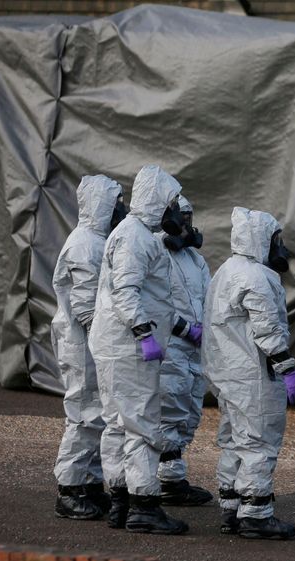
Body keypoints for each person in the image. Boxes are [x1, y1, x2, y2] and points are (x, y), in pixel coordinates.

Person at [89, 164, 188, 535]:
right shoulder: (134, 237)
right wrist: (144, 333)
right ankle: (144, 505)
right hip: (128, 346)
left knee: (117, 423)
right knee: (142, 424)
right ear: (158, 202)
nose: (176, 213)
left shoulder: (133, 234)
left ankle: (120, 500)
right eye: (173, 204)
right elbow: (126, 292)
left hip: (117, 344)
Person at [202, 206, 295, 540]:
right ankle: (256, 513)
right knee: (259, 442)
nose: (281, 249)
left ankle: (231, 506)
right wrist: (287, 369)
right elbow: (267, 331)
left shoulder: (225, 271)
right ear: (261, 239)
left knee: (235, 440)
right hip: (252, 375)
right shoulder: (258, 277)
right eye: (276, 241)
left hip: (227, 373)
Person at [52, 174, 125, 520]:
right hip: (83, 344)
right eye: (117, 202)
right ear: (102, 205)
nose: (122, 209)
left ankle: (90, 484)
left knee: (98, 412)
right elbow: (84, 307)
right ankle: (69, 490)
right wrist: (112, 337)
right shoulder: (85, 244)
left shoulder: (98, 241)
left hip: (93, 343)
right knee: (83, 413)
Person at [155, 195, 213, 506]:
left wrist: (207, 327)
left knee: (187, 412)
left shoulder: (195, 260)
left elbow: (209, 297)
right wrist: (185, 329)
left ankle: (172, 478)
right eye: (182, 218)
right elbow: (155, 303)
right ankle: (161, 480)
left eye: (189, 218)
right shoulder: (154, 252)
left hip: (194, 350)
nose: (187, 226)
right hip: (170, 345)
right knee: (167, 409)